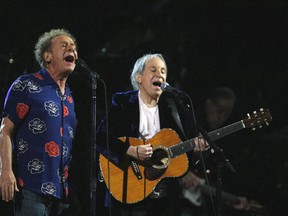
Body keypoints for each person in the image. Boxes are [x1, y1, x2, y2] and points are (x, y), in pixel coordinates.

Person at [96, 53, 209, 216]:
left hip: (165, 201)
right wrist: (130, 150)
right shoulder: (123, 102)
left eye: (163, 71)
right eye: (153, 70)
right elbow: (100, 138)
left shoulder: (173, 108)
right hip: (130, 195)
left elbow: (181, 158)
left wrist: (196, 152)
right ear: (139, 78)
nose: (159, 74)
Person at [0, 28, 78, 216]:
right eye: (64, 45)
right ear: (47, 56)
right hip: (29, 187)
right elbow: (5, 130)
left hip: (60, 192)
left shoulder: (69, 97)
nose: (72, 50)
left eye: (74, 48)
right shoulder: (27, 84)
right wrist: (5, 171)